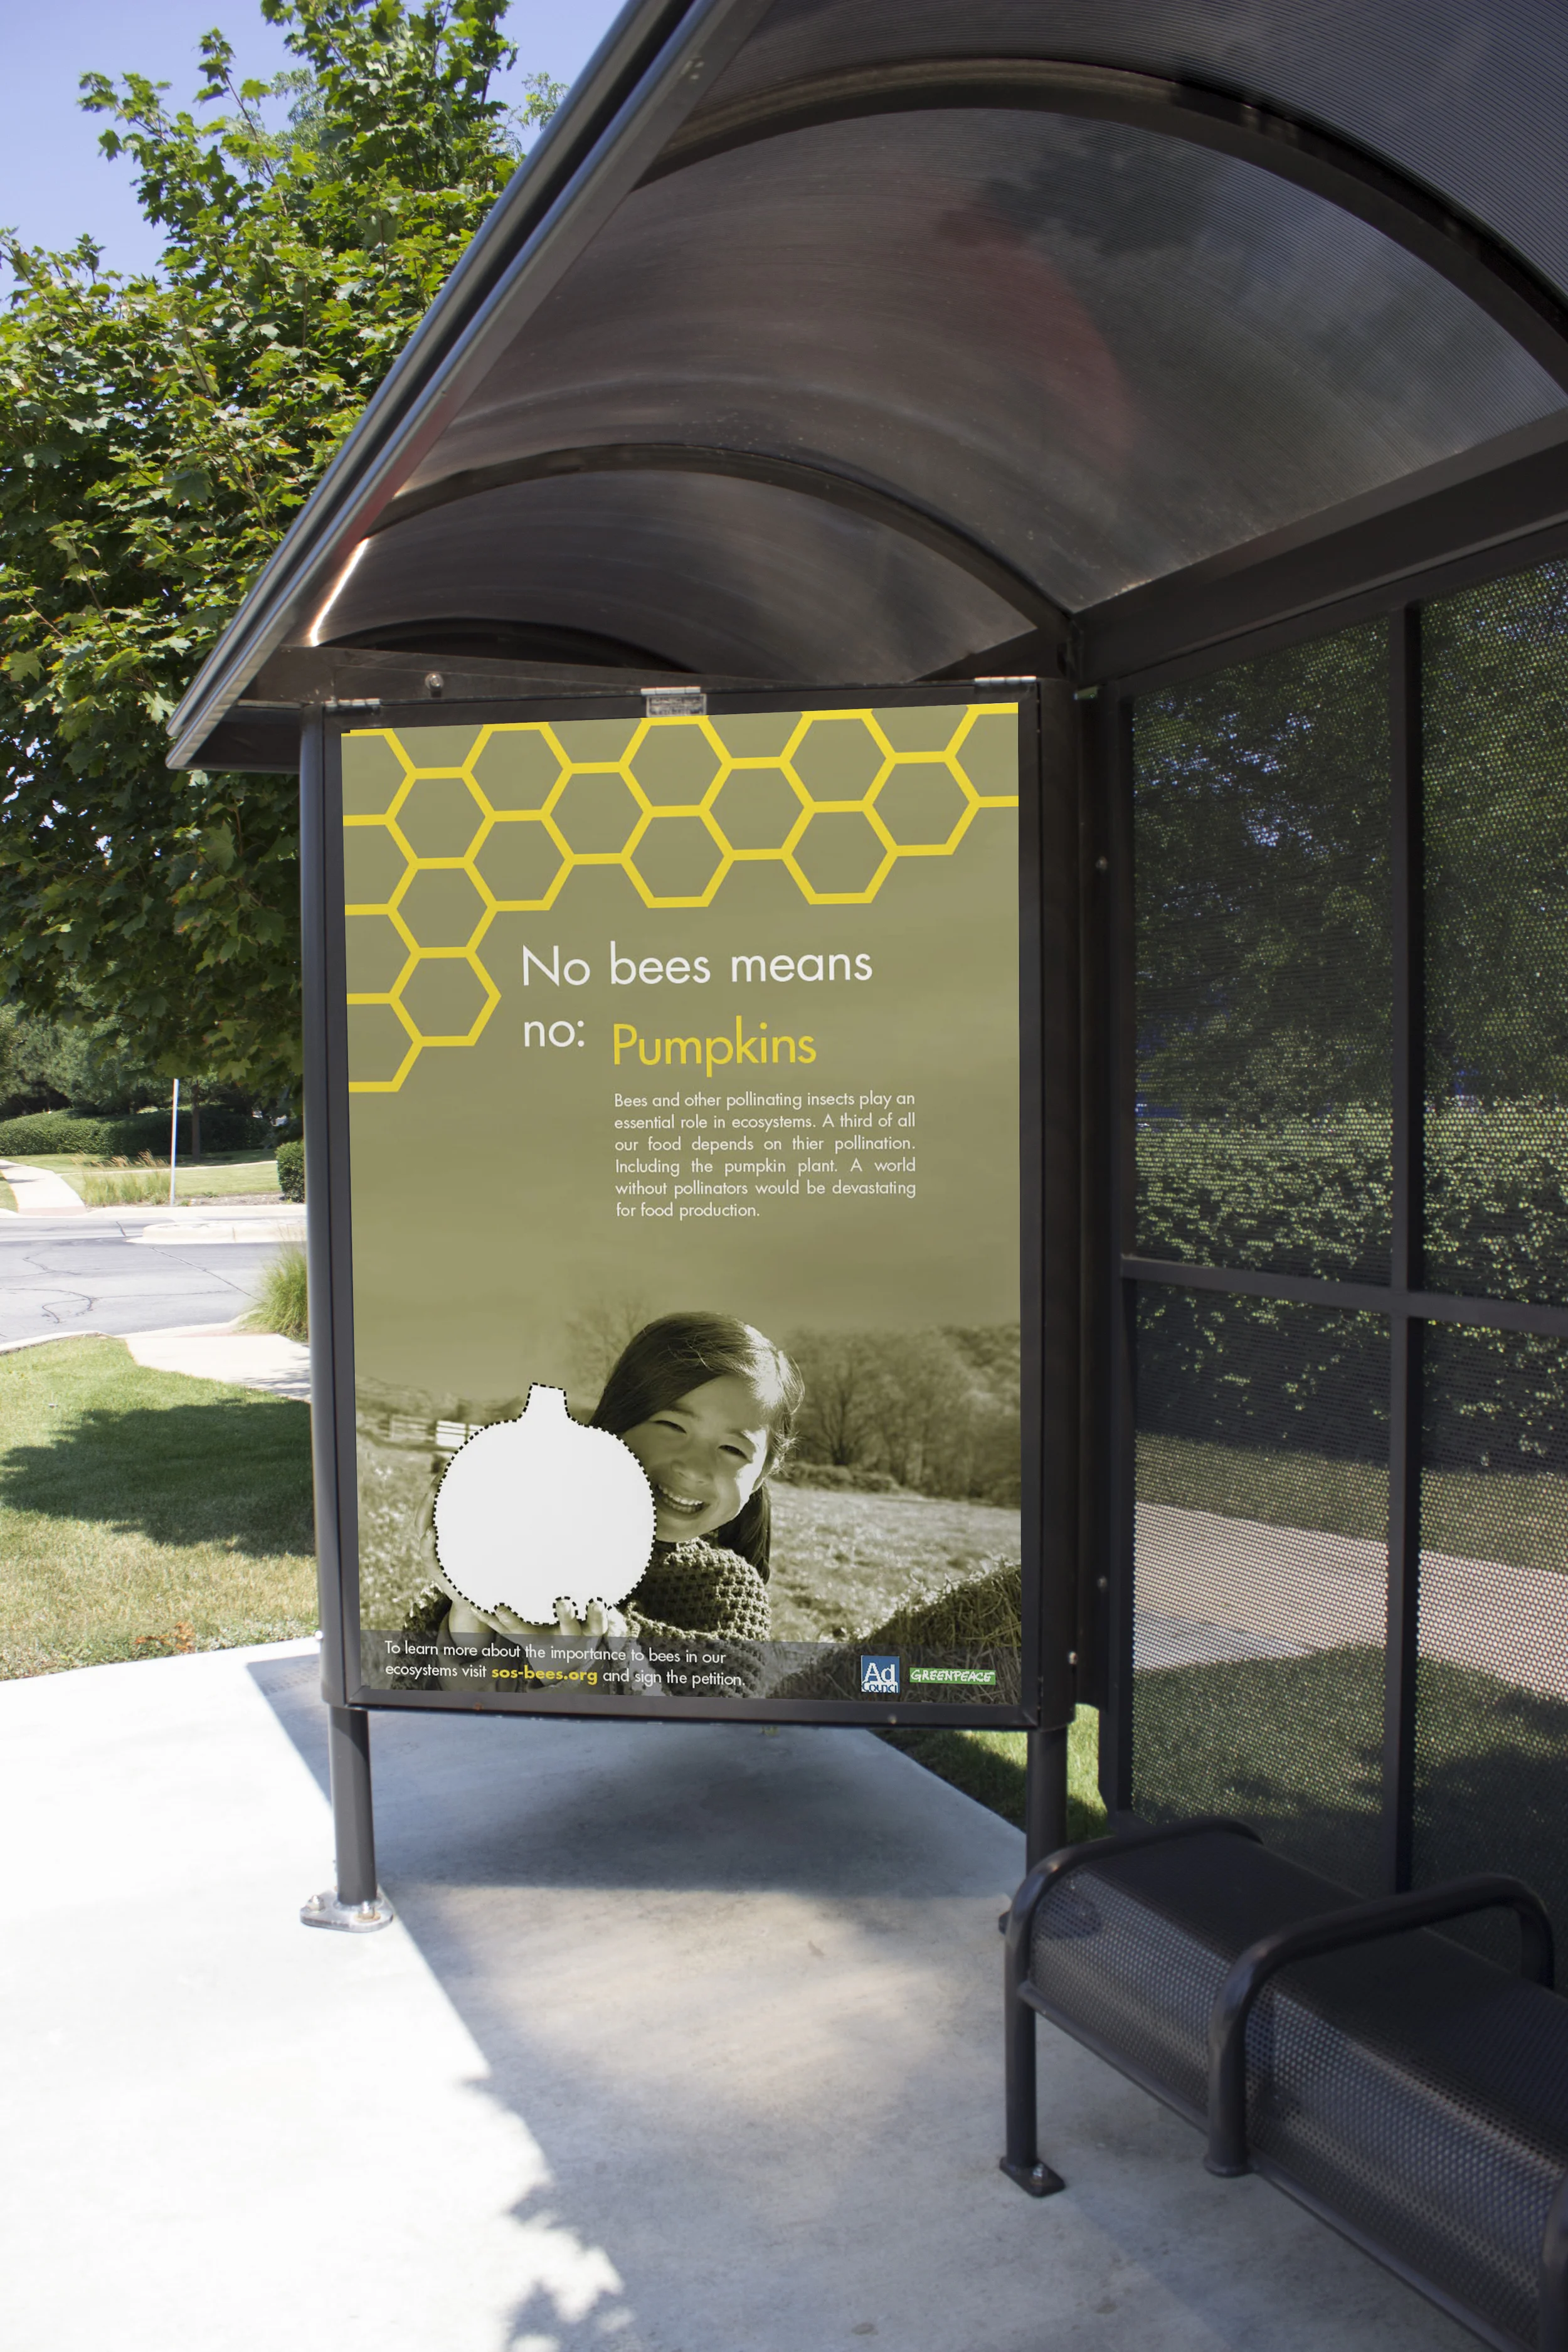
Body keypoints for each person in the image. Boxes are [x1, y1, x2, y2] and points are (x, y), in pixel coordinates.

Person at [404, 1312, 803, 1683]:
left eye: (733, 1450)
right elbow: (440, 1709)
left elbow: (702, 1740)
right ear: (615, 1423)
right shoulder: (525, 1533)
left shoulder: (726, 1592)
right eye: (672, 1425)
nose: (694, 1468)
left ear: (759, 1478)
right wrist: (471, 1610)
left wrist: (576, 1670)